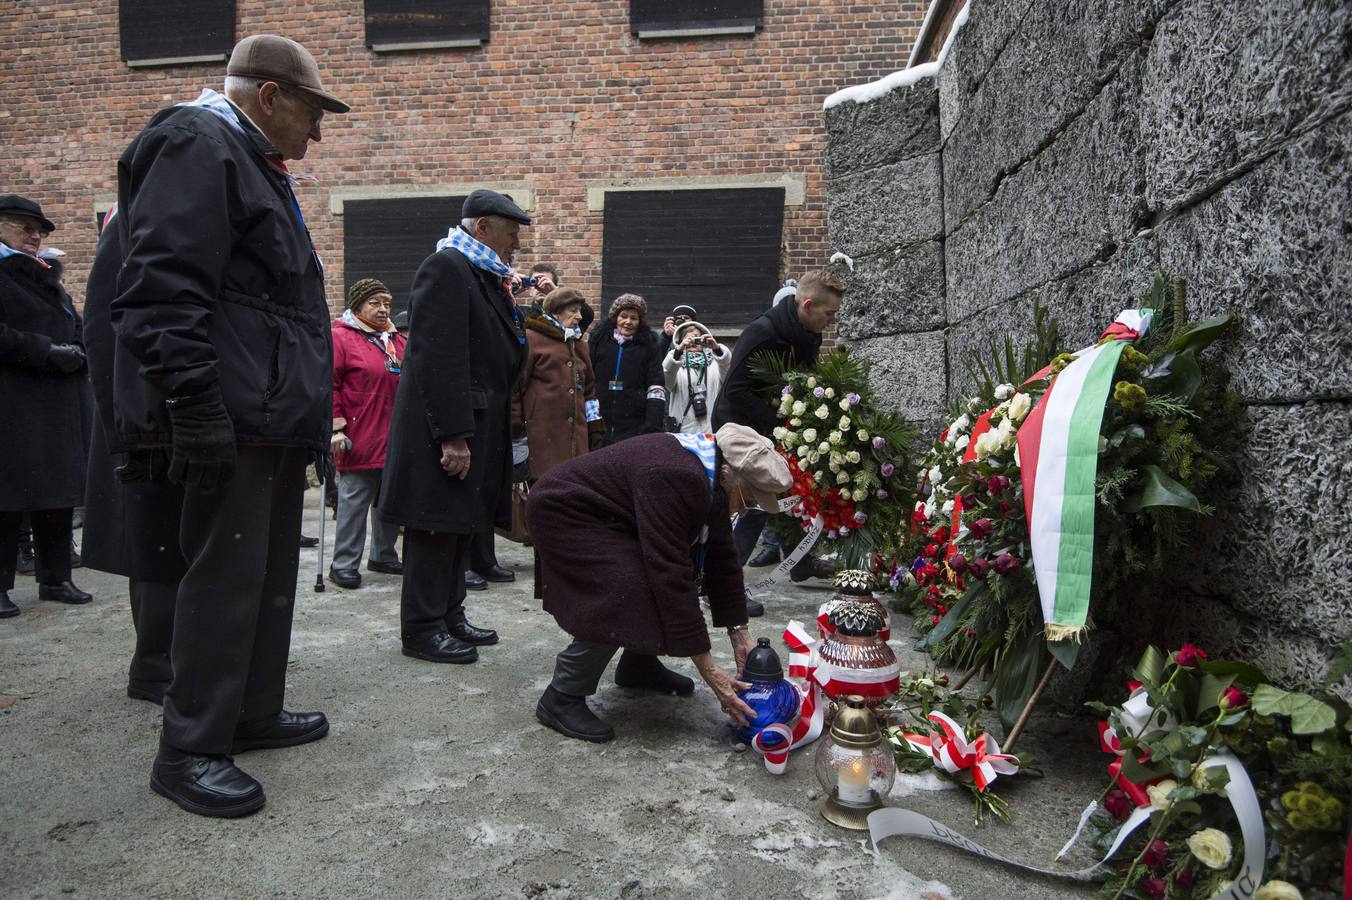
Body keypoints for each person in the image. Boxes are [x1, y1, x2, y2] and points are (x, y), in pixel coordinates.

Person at [107, 34, 349, 817]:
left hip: (265, 415)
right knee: (222, 578)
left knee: (268, 573)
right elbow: (161, 288)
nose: (318, 134)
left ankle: (249, 710)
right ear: (270, 96)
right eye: (313, 114)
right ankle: (190, 748)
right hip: (232, 413)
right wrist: (196, 406)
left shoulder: (250, 162)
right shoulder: (195, 141)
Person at [528, 423, 792, 742]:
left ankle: (638, 664)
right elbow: (670, 575)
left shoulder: (710, 476)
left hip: (610, 517)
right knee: (625, 589)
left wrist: (739, 632)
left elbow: (721, 556)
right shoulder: (676, 476)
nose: (743, 509)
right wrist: (710, 671)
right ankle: (561, 696)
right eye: (747, 500)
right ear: (727, 474)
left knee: (666, 573)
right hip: (564, 512)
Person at [379, 189, 529, 664]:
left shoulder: (480, 273)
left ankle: (450, 615)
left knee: (459, 525)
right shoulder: (447, 267)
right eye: (511, 234)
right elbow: (437, 357)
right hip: (447, 429)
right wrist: (452, 434)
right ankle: (422, 629)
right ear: (482, 227)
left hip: (476, 424)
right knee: (433, 528)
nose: (516, 245)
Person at [80, 203, 186, 704]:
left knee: (184, 548)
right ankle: (154, 667)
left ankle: (181, 660)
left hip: (182, 413)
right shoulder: (135, 222)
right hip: (144, 419)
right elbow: (103, 331)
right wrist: (124, 430)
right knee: (157, 550)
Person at [712, 271, 844, 581]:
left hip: (775, 426)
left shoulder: (808, 334)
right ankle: (722, 581)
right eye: (829, 314)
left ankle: (799, 563)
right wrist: (779, 428)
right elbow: (736, 392)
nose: (832, 321)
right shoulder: (762, 332)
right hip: (740, 427)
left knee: (790, 488)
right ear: (808, 305)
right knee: (754, 501)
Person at [0, 195, 95, 619]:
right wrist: (46, 351)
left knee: (57, 492)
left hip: (57, 401)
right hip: (12, 400)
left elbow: (72, 323)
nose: (36, 236)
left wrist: (76, 348)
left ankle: (55, 577)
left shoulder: (45, 277)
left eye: (40, 230)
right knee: (7, 499)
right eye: (25, 227)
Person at [327, 278, 407, 589]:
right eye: (375, 303)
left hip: (394, 436)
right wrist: (336, 425)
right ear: (357, 306)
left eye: (386, 302)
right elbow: (329, 383)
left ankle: (384, 556)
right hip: (358, 436)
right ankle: (344, 564)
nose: (383, 308)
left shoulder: (395, 341)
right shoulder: (341, 338)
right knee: (354, 503)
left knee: (388, 502)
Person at [587, 294, 665, 445]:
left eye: (633, 318)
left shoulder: (649, 345)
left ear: (639, 321)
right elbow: (588, 377)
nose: (628, 322)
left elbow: (656, 385)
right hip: (599, 420)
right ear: (615, 318)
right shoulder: (598, 340)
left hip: (634, 424)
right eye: (623, 316)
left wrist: (651, 425)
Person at [663, 319, 730, 435]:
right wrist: (678, 352)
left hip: (712, 428)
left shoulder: (716, 363)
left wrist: (717, 349)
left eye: (696, 338)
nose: (692, 342)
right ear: (680, 341)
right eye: (688, 339)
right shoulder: (676, 365)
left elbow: (728, 376)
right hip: (683, 428)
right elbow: (666, 381)